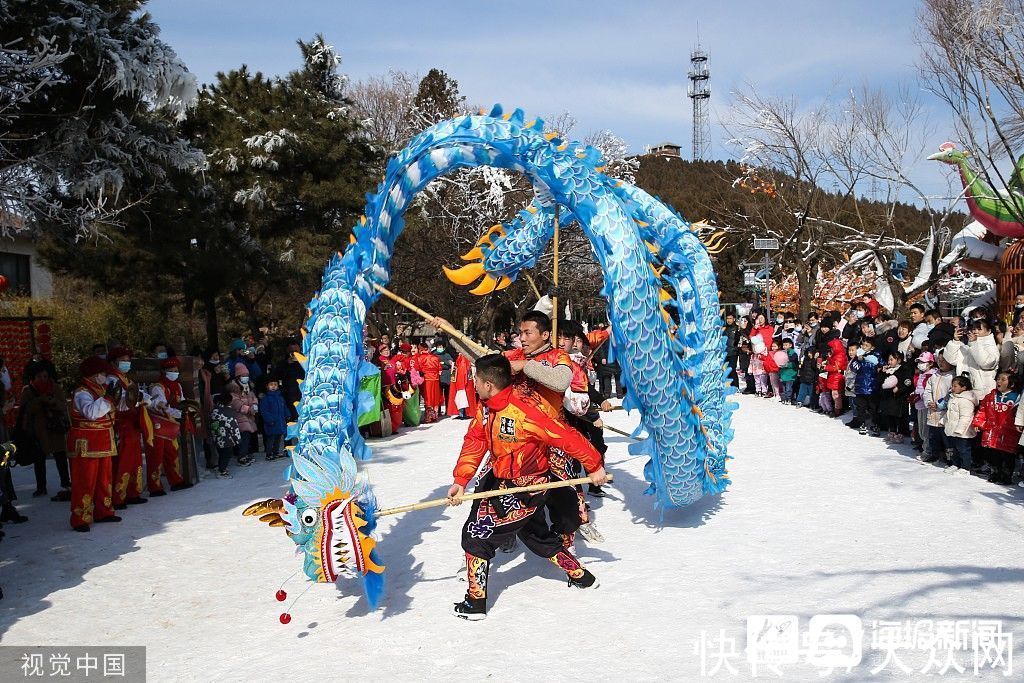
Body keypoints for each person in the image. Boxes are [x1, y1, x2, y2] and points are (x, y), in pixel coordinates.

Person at [446, 354, 607, 621]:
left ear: (487, 384)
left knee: (476, 535)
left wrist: (594, 465)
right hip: (500, 481)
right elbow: (475, 441)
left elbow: (566, 436)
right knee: (536, 536)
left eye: (475, 378)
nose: (472, 383)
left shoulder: (525, 411)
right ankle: (581, 575)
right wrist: (461, 480)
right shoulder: (486, 408)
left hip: (527, 488)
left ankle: (475, 603)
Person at [67, 356, 120, 531]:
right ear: (93, 374)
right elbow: (91, 413)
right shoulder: (82, 392)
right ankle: (80, 518)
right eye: (102, 373)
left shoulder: (100, 390)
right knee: (85, 482)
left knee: (104, 480)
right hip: (86, 444)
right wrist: (108, 400)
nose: (104, 376)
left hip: (103, 441)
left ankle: (104, 511)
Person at [19, 366, 71, 500]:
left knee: (60, 456)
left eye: (45, 376)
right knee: (39, 459)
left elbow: (63, 405)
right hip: (38, 429)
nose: (43, 379)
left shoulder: (55, 387)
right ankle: (41, 486)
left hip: (55, 427)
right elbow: (26, 409)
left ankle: (65, 481)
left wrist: (53, 402)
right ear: (33, 378)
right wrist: (40, 400)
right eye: (39, 377)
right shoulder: (27, 390)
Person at [106, 348, 149, 508]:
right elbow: (120, 401)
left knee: (134, 459)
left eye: (128, 360)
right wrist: (138, 400)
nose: (126, 363)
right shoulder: (111, 379)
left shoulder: (125, 378)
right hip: (121, 424)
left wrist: (144, 399)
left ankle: (133, 492)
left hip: (132, 423)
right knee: (122, 460)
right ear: (113, 362)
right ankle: (118, 496)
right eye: (123, 360)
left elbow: (137, 395)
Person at [146, 357, 192, 495]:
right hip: (159, 424)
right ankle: (155, 487)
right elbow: (161, 407)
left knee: (172, 452)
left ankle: (176, 480)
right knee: (156, 455)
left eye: (176, 370)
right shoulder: (158, 387)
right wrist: (179, 413)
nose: (174, 373)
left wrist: (186, 409)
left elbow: (182, 401)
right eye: (170, 370)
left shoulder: (177, 386)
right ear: (164, 371)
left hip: (172, 424)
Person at [975, 371, 1021, 484]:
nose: (999, 381)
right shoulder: (991, 396)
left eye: (1003, 379)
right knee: (992, 455)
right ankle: (995, 473)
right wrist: (978, 423)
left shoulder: (1018, 397)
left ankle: (1006, 476)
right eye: (998, 379)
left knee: (1007, 456)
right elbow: (982, 410)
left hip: (1009, 433)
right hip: (992, 431)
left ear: (1012, 383)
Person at [944, 318, 998, 401]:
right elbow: (950, 359)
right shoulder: (967, 348)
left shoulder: (992, 347)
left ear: (989, 331)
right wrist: (955, 341)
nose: (975, 331)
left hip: (983, 395)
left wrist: (974, 343)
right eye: (974, 329)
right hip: (963, 393)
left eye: (979, 329)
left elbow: (985, 363)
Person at [921, 352, 953, 464]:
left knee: (946, 437)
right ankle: (934, 454)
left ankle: (949, 457)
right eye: (939, 360)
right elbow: (927, 391)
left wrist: (940, 404)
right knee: (933, 436)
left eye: (944, 360)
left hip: (944, 413)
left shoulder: (952, 376)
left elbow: (952, 394)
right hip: (933, 412)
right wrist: (929, 402)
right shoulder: (934, 376)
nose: (941, 363)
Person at [944, 376, 978, 474]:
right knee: (954, 449)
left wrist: (960, 429)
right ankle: (956, 464)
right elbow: (949, 413)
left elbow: (966, 417)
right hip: (953, 429)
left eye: (955, 386)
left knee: (963, 449)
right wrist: (944, 421)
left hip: (963, 432)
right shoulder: (953, 398)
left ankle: (965, 467)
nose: (952, 388)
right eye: (952, 386)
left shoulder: (965, 400)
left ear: (964, 387)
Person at [878, 351, 913, 443]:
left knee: (900, 417)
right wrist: (882, 372)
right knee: (890, 415)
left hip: (899, 398)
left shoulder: (904, 369)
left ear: (899, 360)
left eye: (892, 360)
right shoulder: (887, 370)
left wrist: (899, 388)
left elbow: (908, 383)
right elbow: (881, 382)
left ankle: (900, 433)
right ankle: (892, 432)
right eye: (888, 360)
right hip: (889, 398)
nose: (889, 362)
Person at [229, 363, 258, 466]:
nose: (245, 377)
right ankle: (242, 456)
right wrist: (248, 409)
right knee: (244, 437)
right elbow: (235, 402)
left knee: (248, 437)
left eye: (246, 375)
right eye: (243, 375)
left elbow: (253, 397)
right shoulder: (234, 388)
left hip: (249, 417)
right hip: (240, 417)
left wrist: (254, 405)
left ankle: (246, 454)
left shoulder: (248, 387)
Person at [208, 392, 240, 479]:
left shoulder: (214, 411)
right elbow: (233, 426)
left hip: (217, 436)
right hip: (227, 437)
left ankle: (221, 468)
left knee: (221, 453)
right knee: (227, 454)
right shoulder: (228, 412)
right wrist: (237, 439)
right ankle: (222, 470)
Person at [259, 377, 288, 461]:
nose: (273, 386)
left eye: (275, 385)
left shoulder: (280, 397)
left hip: (280, 421)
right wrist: (269, 420)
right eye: (271, 385)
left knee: (278, 438)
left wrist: (288, 414)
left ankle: (276, 452)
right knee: (271, 439)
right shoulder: (265, 398)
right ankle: (269, 454)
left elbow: (284, 407)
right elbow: (264, 411)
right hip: (271, 422)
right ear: (267, 386)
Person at [416, 342, 443, 423]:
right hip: (436, 379)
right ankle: (434, 415)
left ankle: (429, 417)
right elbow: (440, 369)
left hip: (427, 379)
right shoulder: (435, 357)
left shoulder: (420, 358)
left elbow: (419, 368)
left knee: (428, 397)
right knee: (435, 396)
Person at [723, 312, 740, 387]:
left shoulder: (737, 328)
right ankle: (729, 385)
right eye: (727, 318)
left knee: (732, 369)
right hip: (725, 352)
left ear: (734, 319)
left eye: (730, 318)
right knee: (726, 369)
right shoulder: (724, 328)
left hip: (733, 352)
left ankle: (735, 386)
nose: (729, 320)